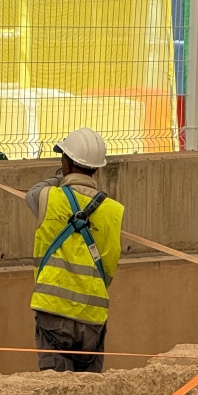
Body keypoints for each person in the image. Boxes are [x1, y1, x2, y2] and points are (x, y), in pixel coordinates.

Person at [26, 128, 124, 373]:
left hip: (53, 312)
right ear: (96, 168)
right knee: (89, 393)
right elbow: (109, 269)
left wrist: (59, 177)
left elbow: (32, 193)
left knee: (57, 393)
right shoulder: (113, 211)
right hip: (92, 316)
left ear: (66, 163)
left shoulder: (48, 197)